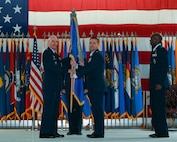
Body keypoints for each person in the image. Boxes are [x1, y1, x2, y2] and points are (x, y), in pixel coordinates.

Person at [69, 36, 106, 138]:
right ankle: (97, 131)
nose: (92, 45)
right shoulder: (92, 56)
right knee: (95, 110)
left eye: (94, 43)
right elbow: (87, 67)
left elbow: (89, 68)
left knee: (98, 110)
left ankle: (99, 132)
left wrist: (77, 74)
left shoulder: (97, 56)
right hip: (94, 87)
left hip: (97, 87)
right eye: (90, 43)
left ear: (98, 44)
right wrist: (76, 66)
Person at [39, 35, 64, 138]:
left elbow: (60, 65)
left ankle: (53, 131)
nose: (54, 43)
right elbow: (52, 67)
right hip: (49, 86)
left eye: (56, 42)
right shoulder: (47, 53)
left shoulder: (56, 55)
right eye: (52, 41)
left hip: (56, 86)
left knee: (54, 110)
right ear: (48, 42)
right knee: (48, 110)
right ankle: (45, 132)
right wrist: (64, 68)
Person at [149, 33, 169, 138]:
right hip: (154, 85)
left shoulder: (162, 50)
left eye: (155, 38)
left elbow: (164, 68)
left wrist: (160, 83)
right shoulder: (154, 51)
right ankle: (158, 130)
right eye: (151, 38)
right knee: (154, 107)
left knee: (160, 108)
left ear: (160, 40)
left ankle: (163, 131)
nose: (152, 40)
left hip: (159, 85)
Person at [61, 54, 84, 135]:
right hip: (68, 88)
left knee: (78, 109)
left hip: (79, 88)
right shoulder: (65, 61)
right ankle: (71, 129)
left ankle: (78, 129)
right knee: (70, 108)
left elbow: (85, 72)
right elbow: (61, 72)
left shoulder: (81, 59)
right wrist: (68, 70)